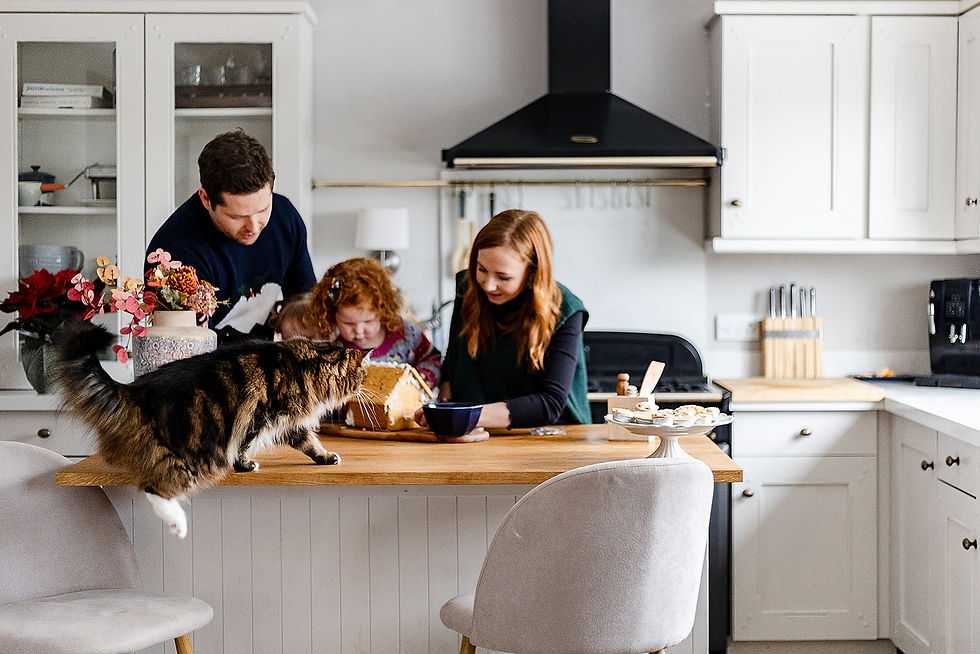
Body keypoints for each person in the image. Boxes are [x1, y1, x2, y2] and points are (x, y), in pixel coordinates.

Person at [418, 209, 589, 430]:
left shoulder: (565, 309)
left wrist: (463, 416)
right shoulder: (468, 287)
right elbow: (455, 360)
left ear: (533, 273)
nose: (488, 285)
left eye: (503, 277)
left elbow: (550, 403)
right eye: (482, 269)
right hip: (478, 431)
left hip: (555, 435)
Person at [146, 129, 315, 341]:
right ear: (206, 199)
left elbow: (305, 302)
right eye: (238, 217)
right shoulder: (175, 253)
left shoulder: (285, 217)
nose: (253, 226)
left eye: (263, 210)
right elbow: (189, 352)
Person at [308, 257, 441, 390]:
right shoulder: (333, 346)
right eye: (348, 323)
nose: (359, 330)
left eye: (368, 321)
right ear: (332, 315)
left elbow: (434, 358)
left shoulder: (406, 333)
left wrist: (424, 375)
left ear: (382, 310)